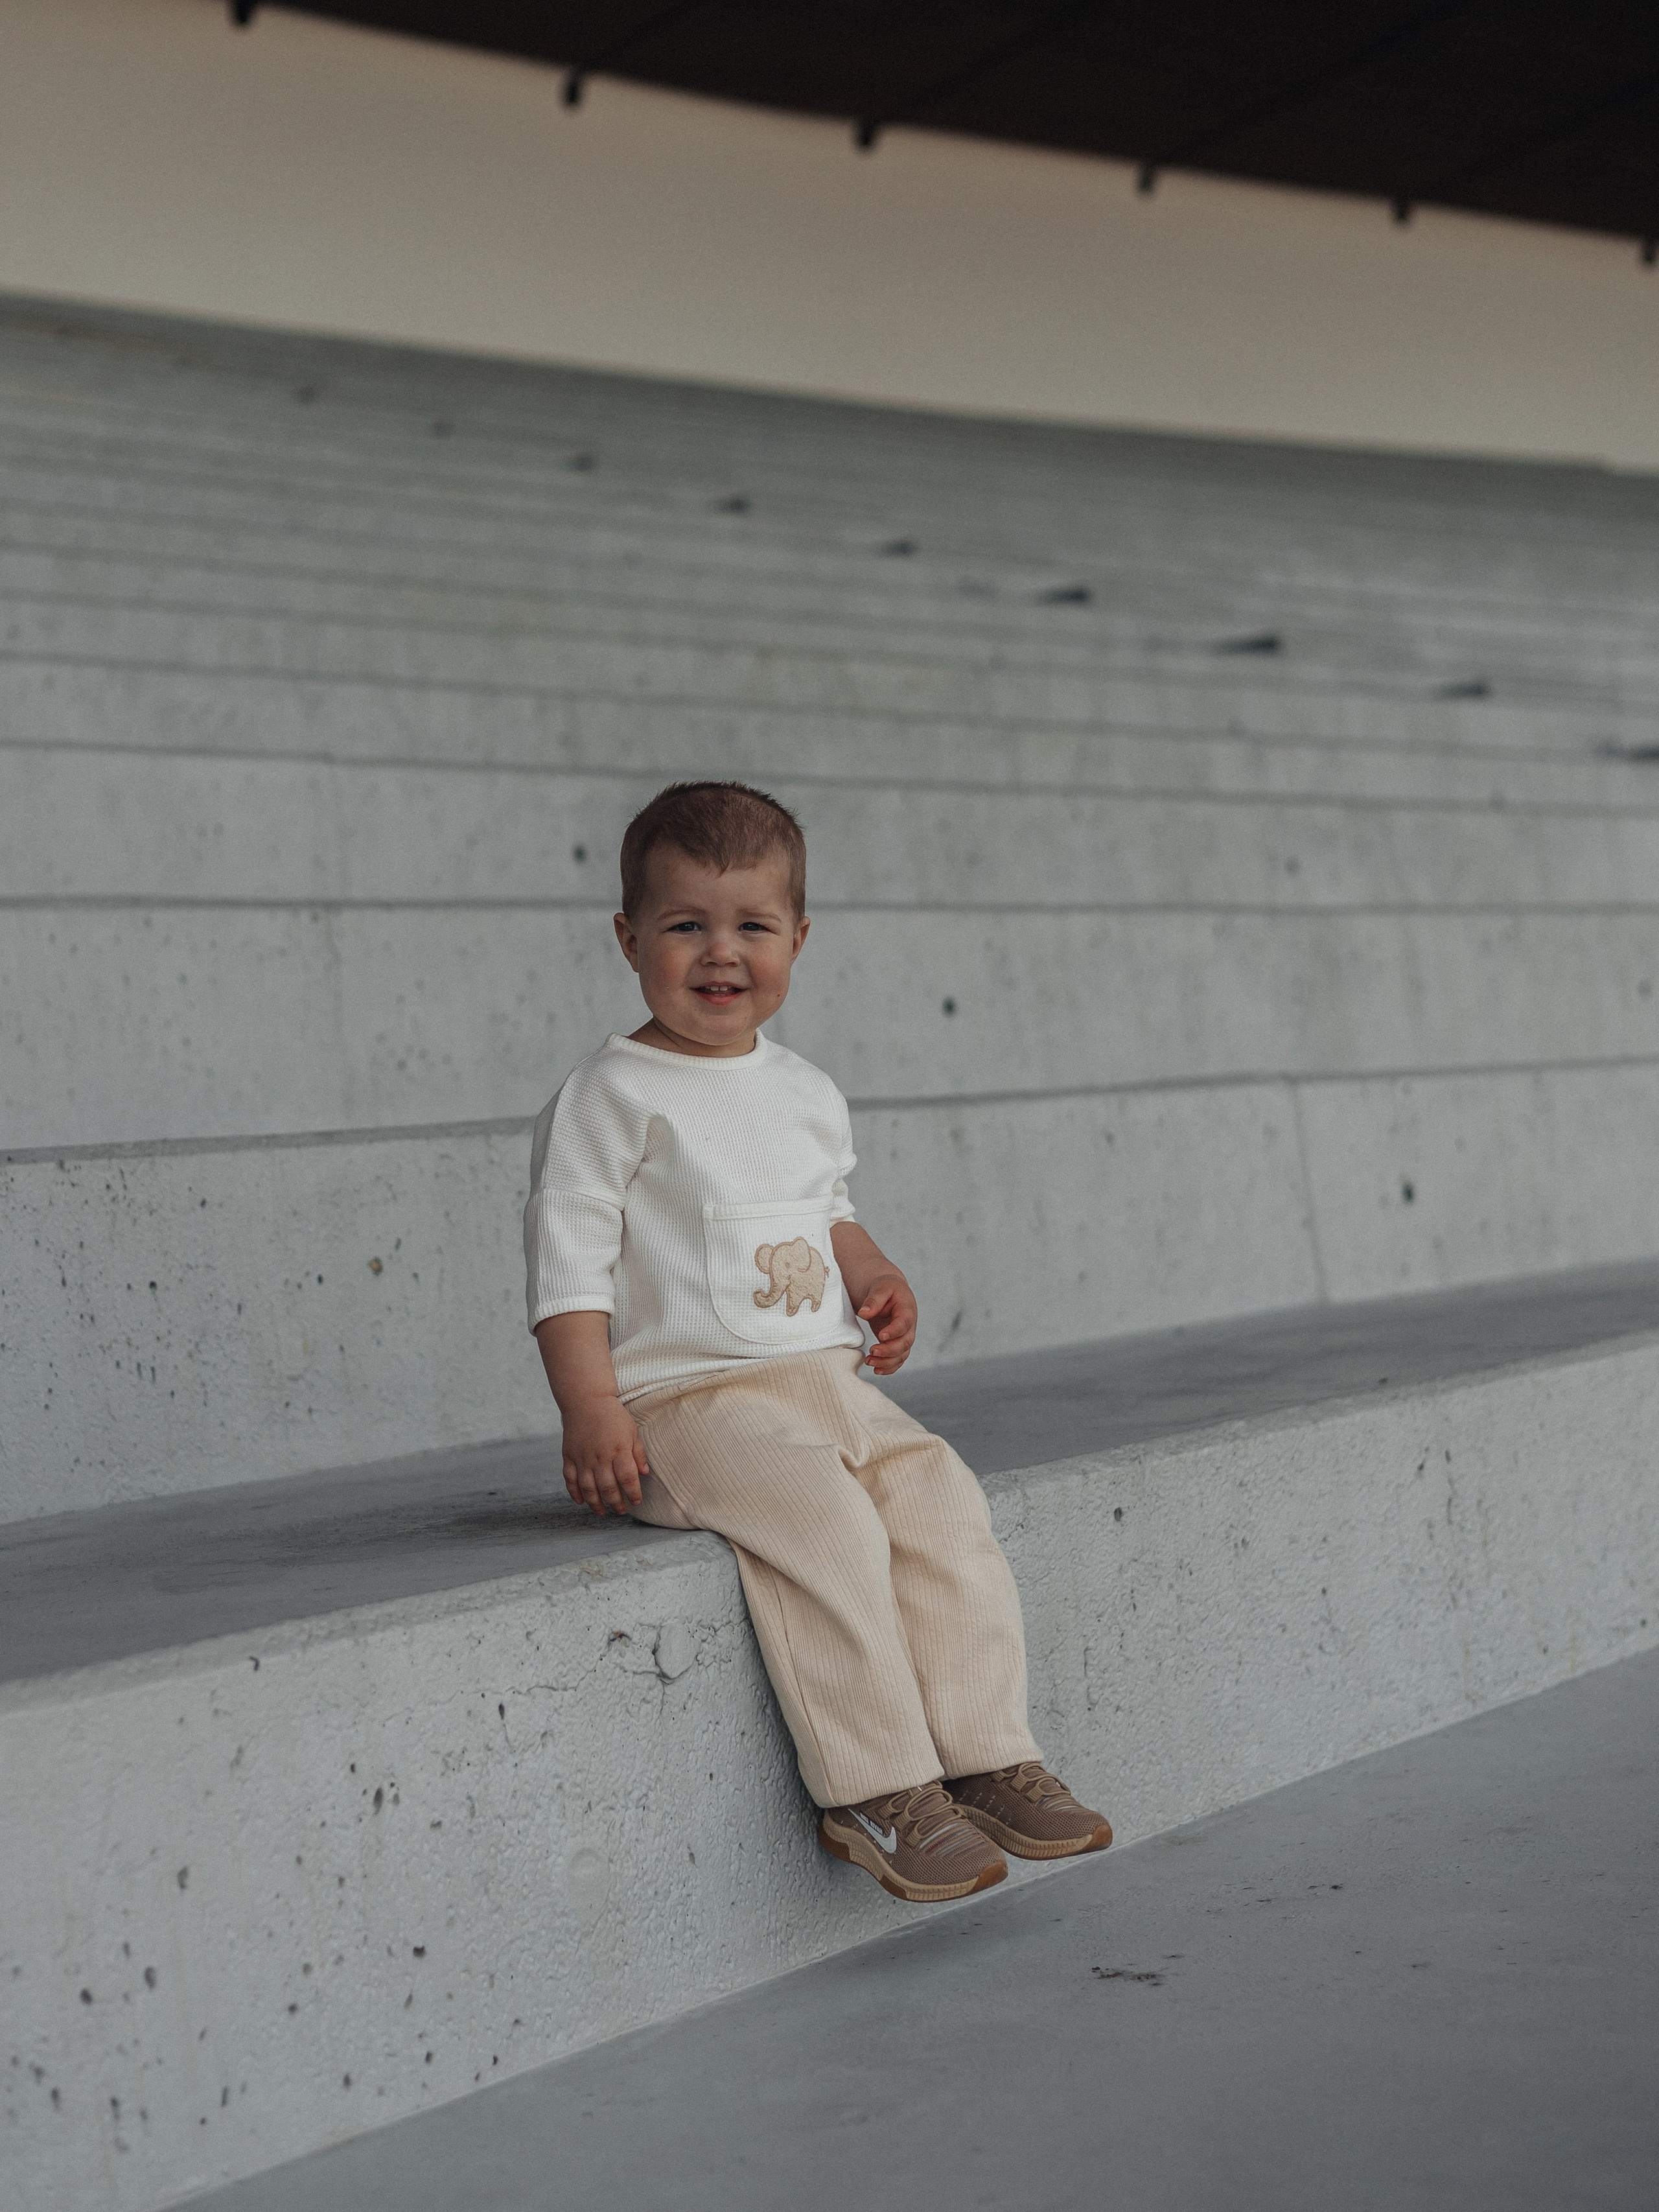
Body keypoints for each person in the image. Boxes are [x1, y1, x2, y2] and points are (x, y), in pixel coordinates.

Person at [526, 780, 1111, 1904]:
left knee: (938, 1494)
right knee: (824, 1518)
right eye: (685, 924)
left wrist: (872, 1273)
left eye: (752, 925)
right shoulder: (610, 1094)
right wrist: (590, 1406)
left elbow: (826, 1211)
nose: (721, 952)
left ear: (798, 938)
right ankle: (877, 1789)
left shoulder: (803, 1089)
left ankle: (985, 1754)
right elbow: (567, 1265)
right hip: (688, 1406)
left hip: (826, 1383)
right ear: (629, 939)